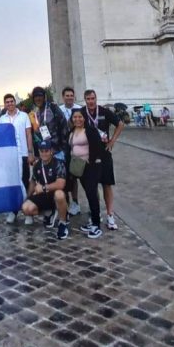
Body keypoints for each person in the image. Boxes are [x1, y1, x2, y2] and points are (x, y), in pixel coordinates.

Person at [80, 89, 123, 230]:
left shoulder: (104, 111)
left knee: (107, 184)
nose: (91, 101)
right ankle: (96, 215)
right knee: (92, 187)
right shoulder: (81, 112)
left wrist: (112, 141)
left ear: (96, 98)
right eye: (88, 99)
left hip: (104, 153)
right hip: (89, 155)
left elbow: (120, 124)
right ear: (85, 100)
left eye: (93, 98)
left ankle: (110, 215)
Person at [0, 93, 35, 224]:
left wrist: (30, 152)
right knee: (11, 184)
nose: (9, 104)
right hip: (9, 156)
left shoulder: (24, 116)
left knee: (25, 183)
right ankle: (13, 211)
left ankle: (28, 212)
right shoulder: (2, 119)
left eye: (11, 101)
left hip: (23, 153)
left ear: (15, 102)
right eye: (7, 102)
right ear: (5, 104)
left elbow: (29, 134)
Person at [21, 144, 69, 240]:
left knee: (59, 194)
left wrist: (43, 188)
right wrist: (28, 197)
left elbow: (61, 184)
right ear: (39, 151)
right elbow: (33, 181)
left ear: (51, 151)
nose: (44, 153)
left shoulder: (58, 163)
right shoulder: (37, 165)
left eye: (46, 151)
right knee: (26, 208)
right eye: (42, 151)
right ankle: (48, 213)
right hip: (43, 196)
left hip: (56, 195)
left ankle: (63, 223)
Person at [68, 109, 102, 238]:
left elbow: (97, 147)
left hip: (90, 167)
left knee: (92, 194)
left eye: (80, 117)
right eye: (75, 117)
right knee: (88, 194)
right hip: (79, 167)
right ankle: (93, 221)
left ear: (84, 118)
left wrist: (91, 162)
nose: (77, 119)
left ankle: (96, 224)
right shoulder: (72, 131)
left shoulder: (91, 130)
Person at [59, 86, 83, 216]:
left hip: (78, 146)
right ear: (63, 97)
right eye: (67, 95)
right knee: (64, 176)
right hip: (64, 147)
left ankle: (75, 202)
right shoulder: (59, 110)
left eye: (71, 95)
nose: (69, 97)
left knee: (75, 176)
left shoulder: (80, 109)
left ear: (74, 96)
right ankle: (66, 202)